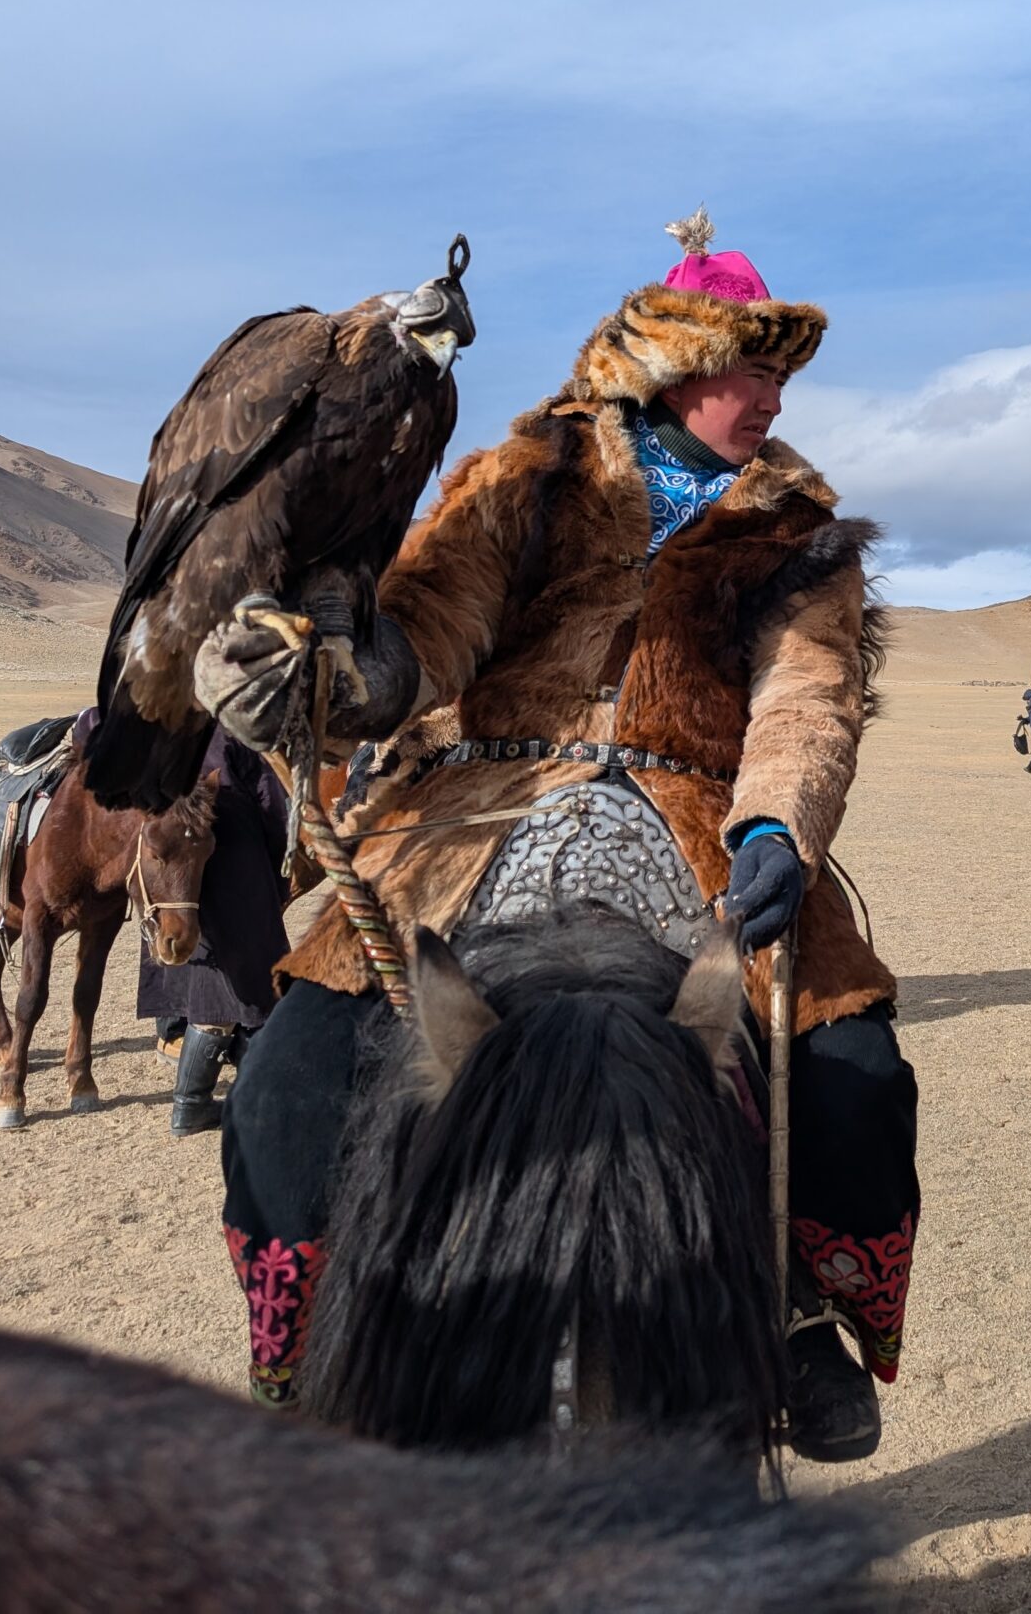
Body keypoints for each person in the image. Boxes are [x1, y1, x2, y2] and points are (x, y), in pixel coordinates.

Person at [201, 218, 918, 1459]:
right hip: (468, 819)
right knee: (284, 1085)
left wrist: (777, 823)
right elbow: (429, 625)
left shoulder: (797, 530)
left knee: (855, 1081)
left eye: (778, 375)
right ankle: (308, 1336)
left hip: (702, 824)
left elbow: (806, 692)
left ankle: (796, 1313)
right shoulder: (524, 477)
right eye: (748, 371)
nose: (770, 398)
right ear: (676, 370)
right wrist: (343, 679)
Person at [138, 729, 289, 1135]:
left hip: (179, 874)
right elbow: (273, 806)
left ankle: (193, 1104)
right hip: (238, 858)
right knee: (259, 983)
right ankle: (233, 1101)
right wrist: (275, 875)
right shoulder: (232, 732)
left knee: (210, 985)